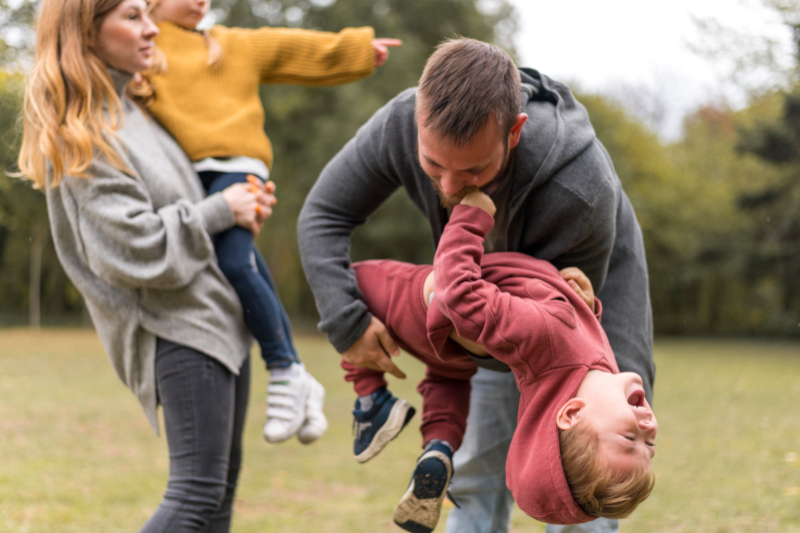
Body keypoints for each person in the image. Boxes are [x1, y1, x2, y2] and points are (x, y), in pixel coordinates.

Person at [298, 38, 655, 533]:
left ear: (515, 133)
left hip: (590, 328)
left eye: (472, 170)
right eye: (432, 165)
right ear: (417, 118)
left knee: (579, 502)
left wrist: (437, 305)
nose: (448, 187)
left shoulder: (579, 185)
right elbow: (323, 214)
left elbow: (545, 327)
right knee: (475, 478)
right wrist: (347, 322)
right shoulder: (401, 124)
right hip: (490, 296)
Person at [18, 0, 275, 530]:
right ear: (85, 33)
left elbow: (188, 203)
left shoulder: (135, 111)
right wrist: (221, 210)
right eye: (132, 16)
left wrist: (239, 205)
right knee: (195, 497)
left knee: (217, 501)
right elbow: (135, 249)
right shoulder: (82, 134)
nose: (152, 27)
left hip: (220, 322)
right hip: (176, 330)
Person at [143, 0, 401, 443]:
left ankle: (282, 366)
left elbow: (292, 49)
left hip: (238, 169)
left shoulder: (229, 44)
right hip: (188, 178)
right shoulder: (147, 49)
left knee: (235, 264)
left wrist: (357, 50)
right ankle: (300, 375)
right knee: (242, 261)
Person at [344, 190, 657, 532]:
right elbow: (578, 332)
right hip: (450, 342)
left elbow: (459, 296)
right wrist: (583, 301)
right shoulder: (597, 374)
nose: (649, 427)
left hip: (420, 304)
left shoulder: (544, 335)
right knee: (445, 379)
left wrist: (468, 219)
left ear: (572, 412)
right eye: (651, 444)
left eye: (631, 438)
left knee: (351, 289)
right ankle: (436, 439)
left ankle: (372, 395)